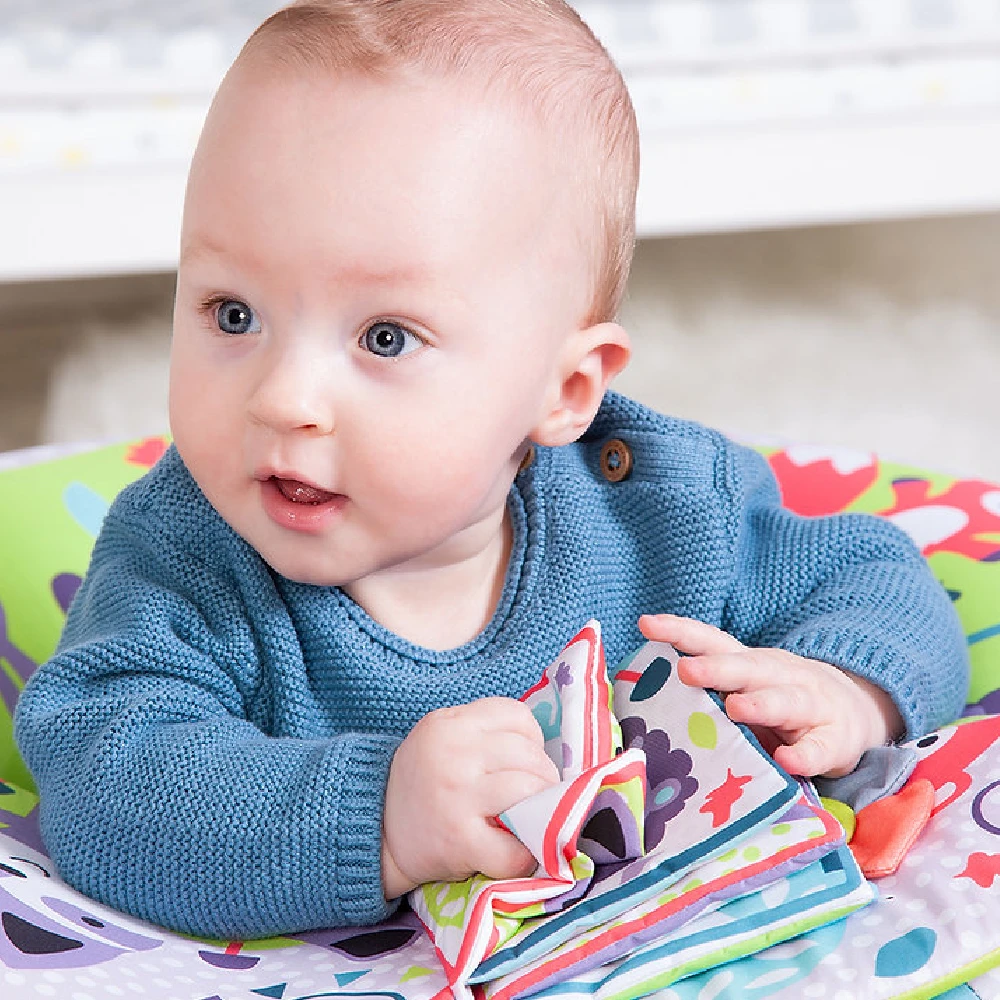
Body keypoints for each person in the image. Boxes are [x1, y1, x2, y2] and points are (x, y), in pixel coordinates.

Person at [14, 0, 968, 941]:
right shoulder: (182, 555)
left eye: (384, 336)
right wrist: (380, 817)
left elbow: (882, 580)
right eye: (232, 313)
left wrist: (847, 689)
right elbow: (109, 787)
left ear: (563, 391)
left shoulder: (661, 508)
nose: (282, 398)